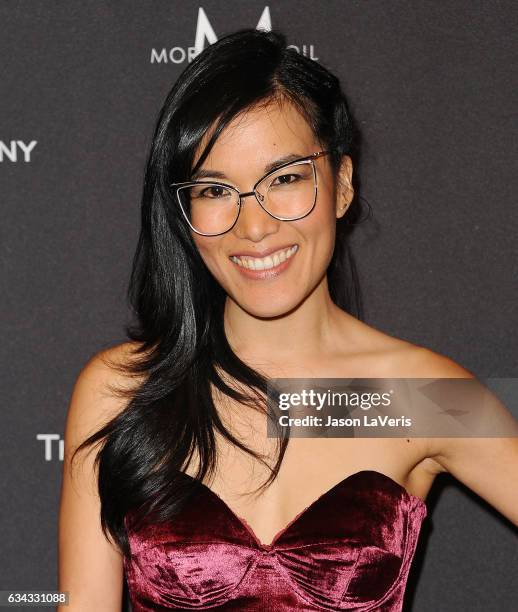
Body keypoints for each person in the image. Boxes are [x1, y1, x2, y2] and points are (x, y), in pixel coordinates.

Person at [58, 28, 518, 611]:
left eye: (285, 179)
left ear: (342, 185)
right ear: (184, 212)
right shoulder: (124, 391)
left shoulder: (414, 396)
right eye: (216, 189)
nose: (255, 227)